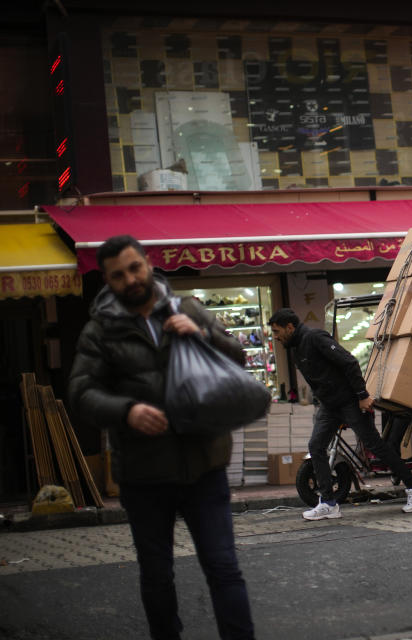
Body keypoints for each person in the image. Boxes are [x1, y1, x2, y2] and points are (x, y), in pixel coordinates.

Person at [69, 235, 255, 640]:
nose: (131, 279)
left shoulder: (187, 308)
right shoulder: (99, 332)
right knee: (156, 576)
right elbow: (81, 391)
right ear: (107, 279)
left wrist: (205, 337)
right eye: (119, 275)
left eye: (135, 268)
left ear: (148, 264)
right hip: (143, 474)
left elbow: (238, 358)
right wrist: (126, 411)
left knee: (224, 568)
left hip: (204, 463)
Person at [268, 308, 412, 519]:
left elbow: (349, 362)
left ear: (289, 327)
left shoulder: (315, 338)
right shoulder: (295, 348)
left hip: (349, 402)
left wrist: (362, 395)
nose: (275, 336)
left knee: (376, 446)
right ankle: (328, 502)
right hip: (329, 407)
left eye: (276, 331)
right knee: (316, 447)